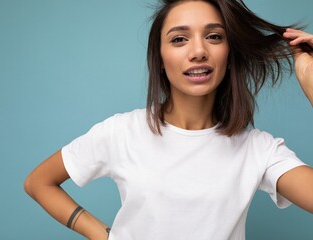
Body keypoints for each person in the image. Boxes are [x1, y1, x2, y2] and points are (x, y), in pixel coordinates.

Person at [24, 0, 313, 239]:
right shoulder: (121, 132)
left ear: (229, 53)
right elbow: (39, 183)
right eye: (179, 39)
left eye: (214, 36)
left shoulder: (259, 149)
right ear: (160, 58)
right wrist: (104, 235)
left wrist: (310, 81)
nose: (199, 51)